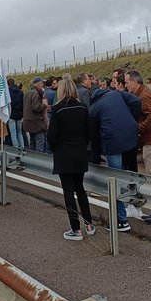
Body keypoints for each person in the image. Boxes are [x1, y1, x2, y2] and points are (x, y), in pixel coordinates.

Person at [48, 75, 96, 240]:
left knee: (68, 191)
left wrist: (55, 148)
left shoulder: (57, 109)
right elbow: (88, 131)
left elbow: (52, 135)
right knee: (80, 188)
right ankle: (89, 224)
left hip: (64, 153)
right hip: (80, 152)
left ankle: (76, 229)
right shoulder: (82, 107)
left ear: (61, 90)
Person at [87, 81, 140, 231]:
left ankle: (121, 220)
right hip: (132, 137)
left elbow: (94, 140)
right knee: (128, 173)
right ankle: (135, 205)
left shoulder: (94, 109)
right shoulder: (117, 94)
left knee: (114, 181)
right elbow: (136, 101)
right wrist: (133, 119)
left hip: (113, 144)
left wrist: (95, 164)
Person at [124, 72, 151, 178]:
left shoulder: (144, 96)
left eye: (127, 82)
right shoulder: (143, 94)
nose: (125, 85)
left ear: (135, 82)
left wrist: (138, 129)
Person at [22, 77, 48, 153]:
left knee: (32, 144)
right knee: (39, 145)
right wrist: (44, 105)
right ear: (38, 84)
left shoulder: (28, 93)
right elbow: (35, 107)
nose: (43, 84)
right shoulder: (36, 93)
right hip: (37, 124)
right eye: (42, 83)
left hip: (29, 122)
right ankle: (39, 160)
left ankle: (31, 159)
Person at [7, 78, 25, 149]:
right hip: (20, 114)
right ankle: (22, 147)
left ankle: (16, 148)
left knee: (13, 133)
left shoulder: (8, 92)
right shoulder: (21, 92)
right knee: (19, 132)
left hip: (11, 114)